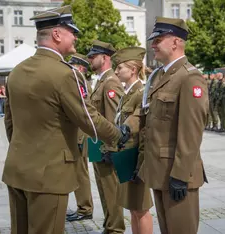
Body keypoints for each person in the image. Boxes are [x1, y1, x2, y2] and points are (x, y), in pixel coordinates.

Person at [1, 6, 130, 234]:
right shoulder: (65, 74)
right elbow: (88, 121)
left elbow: (9, 124)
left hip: (17, 169)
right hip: (49, 174)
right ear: (57, 35)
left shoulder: (17, 72)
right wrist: (119, 134)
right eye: (72, 31)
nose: (76, 37)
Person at [138, 17, 208, 234]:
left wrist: (179, 175)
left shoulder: (190, 77)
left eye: (158, 40)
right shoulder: (161, 76)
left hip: (178, 176)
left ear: (176, 42)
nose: (153, 45)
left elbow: (191, 133)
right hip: (160, 172)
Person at [113, 47, 154, 234]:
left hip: (136, 158)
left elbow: (144, 131)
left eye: (119, 67)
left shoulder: (141, 92)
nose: (116, 71)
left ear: (133, 70)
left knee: (141, 209)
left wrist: (140, 165)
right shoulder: (128, 92)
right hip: (126, 156)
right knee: (132, 208)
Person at [87, 40, 125, 234]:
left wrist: (111, 148)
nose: (90, 59)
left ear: (105, 58)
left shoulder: (110, 82)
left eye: (93, 56)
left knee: (111, 191)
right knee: (104, 190)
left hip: (106, 148)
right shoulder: (101, 81)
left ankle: (115, 228)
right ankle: (110, 224)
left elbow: (113, 120)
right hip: (97, 146)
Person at [66, 53, 94, 222]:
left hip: (79, 134)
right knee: (77, 172)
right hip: (77, 133)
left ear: (80, 67)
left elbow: (82, 109)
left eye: (73, 65)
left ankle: (85, 208)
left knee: (80, 173)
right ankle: (83, 207)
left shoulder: (78, 80)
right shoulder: (77, 79)